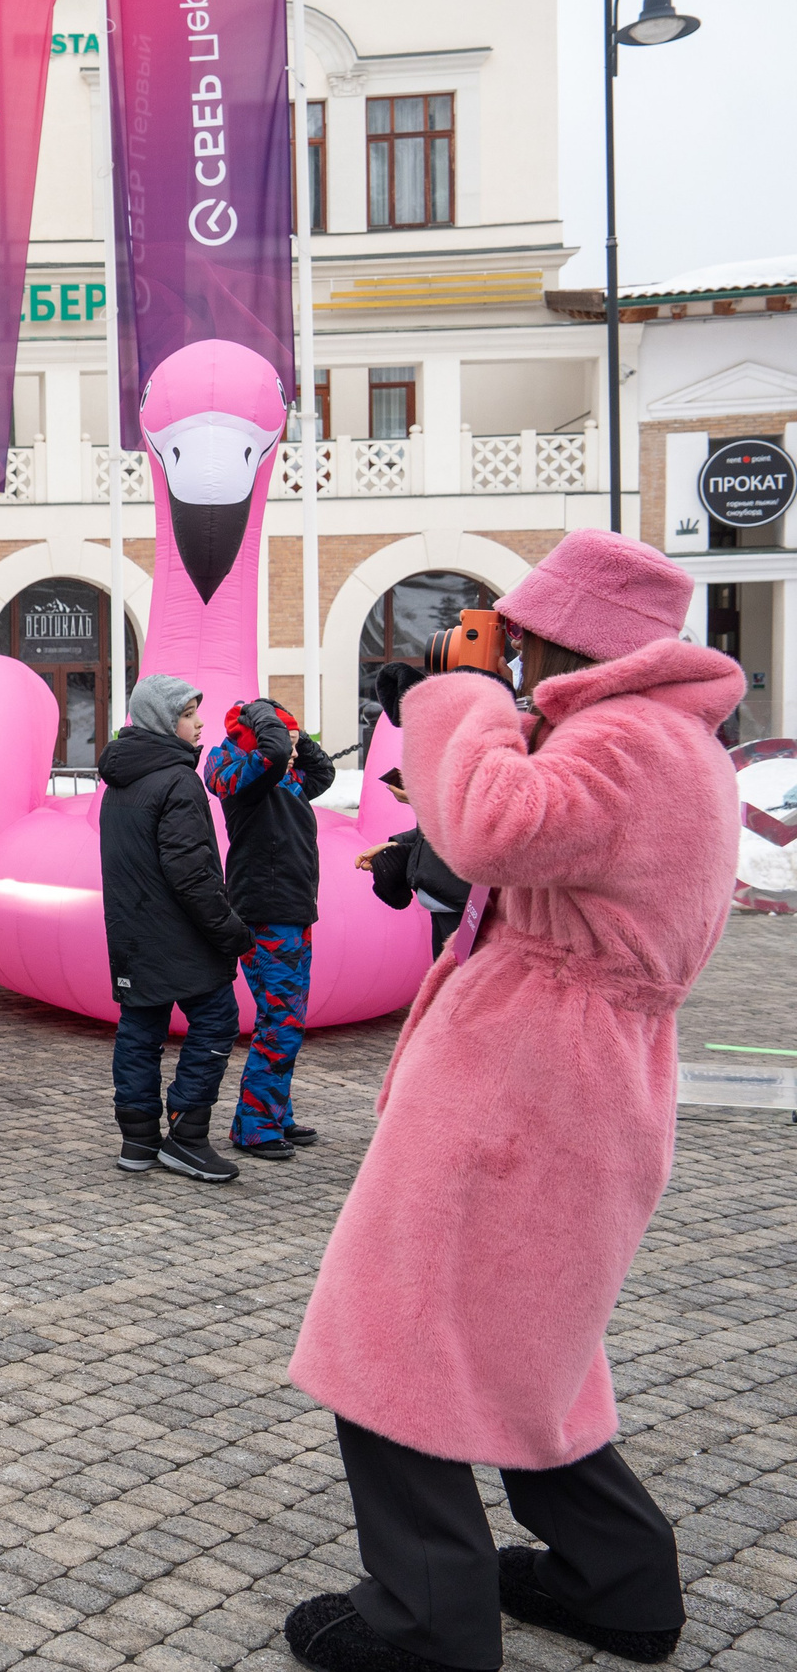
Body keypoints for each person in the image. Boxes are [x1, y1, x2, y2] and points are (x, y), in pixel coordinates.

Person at [282, 529, 742, 1672]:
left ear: (561, 635)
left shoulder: (626, 739)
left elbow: (488, 823)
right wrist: (478, 720)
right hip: (584, 1078)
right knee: (528, 1341)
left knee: (394, 1333)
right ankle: (616, 1582)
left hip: (527, 1079)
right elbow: (523, 848)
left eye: (520, 637)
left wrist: (462, 696)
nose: (509, 653)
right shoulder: (672, 744)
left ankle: (427, 1621)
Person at [98, 675, 257, 1184]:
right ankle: (187, 1138)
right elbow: (193, 876)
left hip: (132, 934)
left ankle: (138, 1139)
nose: (200, 722)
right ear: (165, 722)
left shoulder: (120, 780)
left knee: (140, 1029)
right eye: (189, 714)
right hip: (177, 936)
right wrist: (232, 933)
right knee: (217, 1019)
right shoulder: (177, 780)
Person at [203, 695, 336, 1160]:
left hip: (293, 910)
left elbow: (322, 774)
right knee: (280, 1021)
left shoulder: (284, 777)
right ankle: (254, 1125)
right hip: (267, 910)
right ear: (261, 740)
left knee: (287, 1020)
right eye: (288, 743)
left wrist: (293, 729)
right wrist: (262, 712)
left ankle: (275, 1111)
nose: (295, 753)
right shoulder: (242, 775)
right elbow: (276, 754)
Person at [356, 768, 471, 961]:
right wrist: (399, 845)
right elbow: (437, 826)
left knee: (462, 982)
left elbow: (478, 822)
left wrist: (422, 801)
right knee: (448, 982)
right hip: (447, 902)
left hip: (468, 906)